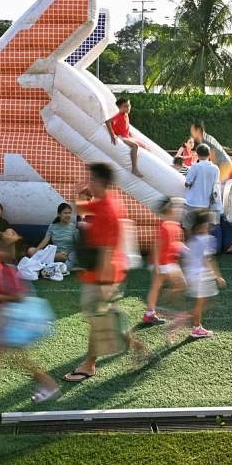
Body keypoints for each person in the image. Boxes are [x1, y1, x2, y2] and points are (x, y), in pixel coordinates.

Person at [63, 163, 145, 383]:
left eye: (91, 179)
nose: (88, 182)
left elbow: (109, 250)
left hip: (103, 275)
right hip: (98, 273)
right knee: (102, 317)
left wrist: (104, 285)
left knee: (98, 320)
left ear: (100, 181)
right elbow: (83, 213)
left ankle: (89, 365)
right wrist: (78, 194)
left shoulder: (109, 210)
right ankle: (137, 347)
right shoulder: (104, 202)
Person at [0, 231, 61, 403]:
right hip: (9, 322)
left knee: (19, 359)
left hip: (15, 323)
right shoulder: (5, 270)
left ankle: (50, 385)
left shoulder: (8, 271)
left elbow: (18, 297)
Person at [181, 210, 226, 339]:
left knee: (204, 302)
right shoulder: (207, 239)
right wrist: (217, 276)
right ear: (202, 225)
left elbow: (187, 258)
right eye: (207, 223)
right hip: (201, 276)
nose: (209, 226)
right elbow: (207, 259)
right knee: (202, 304)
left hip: (193, 275)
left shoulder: (192, 239)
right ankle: (193, 327)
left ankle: (193, 324)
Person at [142, 197, 186, 326]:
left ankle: (151, 313)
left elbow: (174, 244)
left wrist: (181, 250)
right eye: (177, 208)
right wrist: (156, 265)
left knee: (163, 287)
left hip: (168, 263)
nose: (180, 211)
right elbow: (157, 246)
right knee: (176, 285)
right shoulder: (165, 226)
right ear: (170, 210)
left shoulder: (175, 226)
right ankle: (155, 312)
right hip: (162, 264)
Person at [184, 144, 222, 229]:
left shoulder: (195, 167)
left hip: (192, 202)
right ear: (209, 155)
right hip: (206, 204)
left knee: (188, 227)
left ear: (197, 154)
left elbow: (187, 183)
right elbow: (216, 186)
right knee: (202, 229)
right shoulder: (215, 169)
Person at [105, 97, 144, 177]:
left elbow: (125, 127)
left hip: (126, 136)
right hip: (121, 137)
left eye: (129, 105)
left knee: (143, 145)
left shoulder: (126, 115)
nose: (128, 108)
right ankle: (134, 168)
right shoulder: (118, 115)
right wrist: (112, 135)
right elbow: (107, 122)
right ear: (120, 108)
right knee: (135, 146)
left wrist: (130, 135)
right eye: (125, 106)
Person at [33, 202, 79, 268]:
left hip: (66, 255)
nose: (68, 215)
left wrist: (70, 253)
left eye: (69, 213)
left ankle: (42, 260)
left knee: (62, 257)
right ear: (59, 214)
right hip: (54, 254)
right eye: (65, 213)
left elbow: (78, 244)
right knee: (31, 250)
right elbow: (45, 240)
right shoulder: (52, 226)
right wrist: (37, 250)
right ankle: (44, 259)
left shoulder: (73, 227)